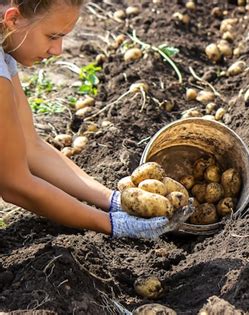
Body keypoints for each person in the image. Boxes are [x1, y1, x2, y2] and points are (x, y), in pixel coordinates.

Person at [0, 0, 193, 239]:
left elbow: (31, 146)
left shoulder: (5, 46)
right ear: (13, 19)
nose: (58, 50)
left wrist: (111, 200)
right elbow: (14, 185)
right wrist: (111, 224)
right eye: (52, 36)